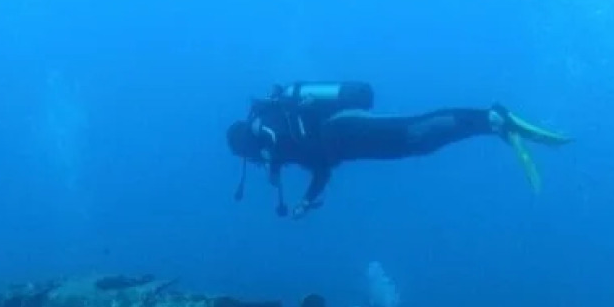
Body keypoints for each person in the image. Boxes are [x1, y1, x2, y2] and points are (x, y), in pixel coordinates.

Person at [226, 81, 571, 219]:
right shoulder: (278, 142)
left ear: (245, 146)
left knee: (413, 132)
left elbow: (287, 141)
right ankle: (491, 124)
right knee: (416, 144)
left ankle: (492, 118)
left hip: (343, 129)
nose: (254, 162)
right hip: (345, 143)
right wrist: (305, 201)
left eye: (247, 156)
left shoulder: (268, 130)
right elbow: (321, 167)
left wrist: (271, 158)